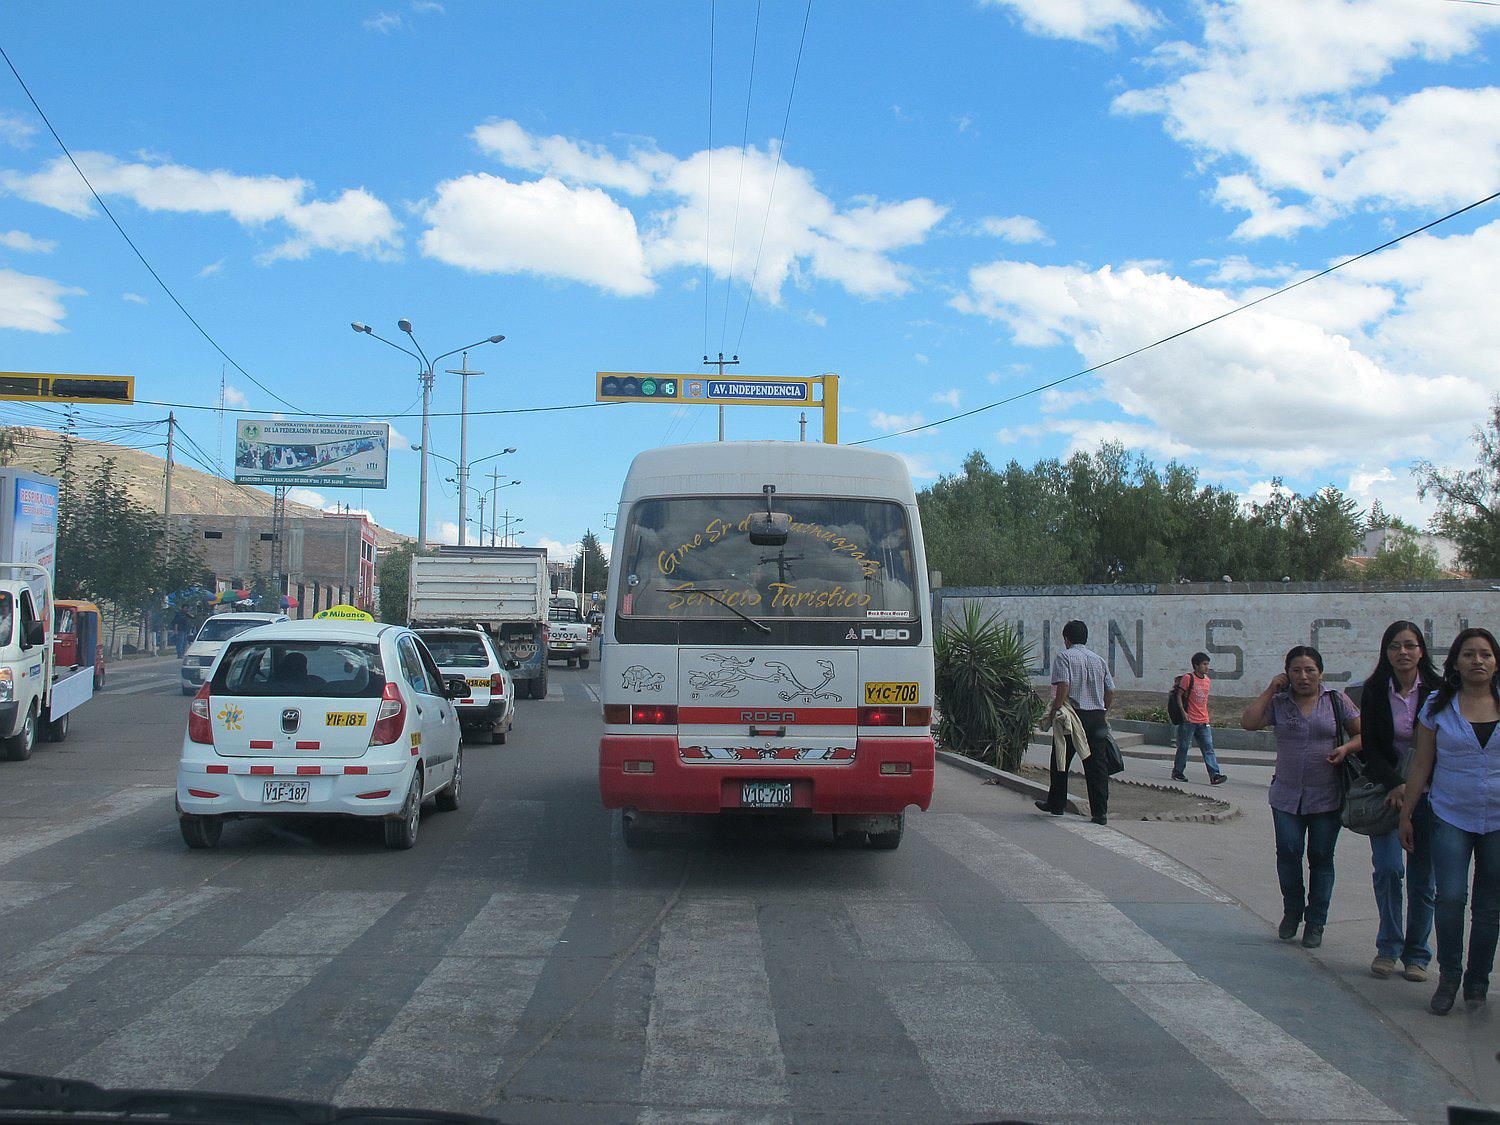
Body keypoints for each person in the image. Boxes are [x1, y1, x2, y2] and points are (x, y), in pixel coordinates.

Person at [1400, 627, 1500, 1015]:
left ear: (1496, 663)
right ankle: (1449, 977)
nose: (1478, 661)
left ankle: (1477, 982)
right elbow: (1421, 763)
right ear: (1455, 662)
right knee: (1451, 896)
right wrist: (1406, 814)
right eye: (1469, 654)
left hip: (1497, 821)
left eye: (1486, 654)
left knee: (1490, 906)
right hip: (1450, 814)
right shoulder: (1437, 706)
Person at [1331, 621, 1437, 982]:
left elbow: (1442, 747)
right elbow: (1372, 745)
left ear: (1422, 650)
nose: (1402, 653)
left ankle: (1418, 954)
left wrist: (1415, 786)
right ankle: (1389, 946)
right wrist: (1396, 783)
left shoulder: (1438, 691)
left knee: (1424, 880)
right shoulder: (1375, 690)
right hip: (1387, 794)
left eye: (1410, 645)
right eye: (1395, 646)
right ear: (1385, 652)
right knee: (1390, 870)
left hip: (1429, 797)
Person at [1243, 646, 1362, 950]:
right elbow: (1249, 722)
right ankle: (1292, 911)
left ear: (1320, 672)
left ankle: (1316, 921)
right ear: (1287, 674)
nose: (1303, 676)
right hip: (1286, 796)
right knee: (1288, 855)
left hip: (1327, 796)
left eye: (1310, 670)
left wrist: (1346, 749)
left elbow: (1363, 734)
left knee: (1321, 859)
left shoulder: (1336, 700)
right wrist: (1271, 688)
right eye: (1296, 670)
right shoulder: (1280, 703)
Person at [1036, 620, 1114, 825]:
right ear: (1085, 638)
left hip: (1073, 716)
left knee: (1060, 759)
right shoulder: (1099, 660)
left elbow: (1063, 686)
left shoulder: (1064, 657)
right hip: (1097, 718)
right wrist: (1104, 711)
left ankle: (1057, 804)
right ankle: (1100, 813)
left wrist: (1055, 710)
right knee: (1097, 766)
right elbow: (1110, 690)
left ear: (1066, 639)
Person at [1171, 652, 1227, 785]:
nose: (1206, 667)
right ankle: (1178, 772)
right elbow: (1179, 695)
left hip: (1203, 720)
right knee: (1184, 747)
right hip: (1189, 720)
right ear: (1196, 665)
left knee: (1208, 748)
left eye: (1207, 664)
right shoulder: (1188, 678)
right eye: (1204, 664)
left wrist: (1206, 718)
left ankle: (1215, 775)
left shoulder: (1207, 680)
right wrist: (1183, 712)